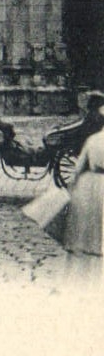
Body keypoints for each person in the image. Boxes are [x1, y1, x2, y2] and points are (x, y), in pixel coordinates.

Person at [64, 93, 104, 260]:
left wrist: (72, 183)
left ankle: (90, 244)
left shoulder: (92, 140)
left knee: (92, 215)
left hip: (92, 179)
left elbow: (79, 166)